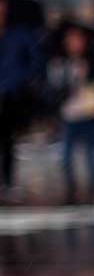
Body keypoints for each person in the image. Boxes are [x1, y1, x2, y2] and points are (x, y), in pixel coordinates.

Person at [48, 23, 94, 208]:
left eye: (77, 39)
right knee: (66, 156)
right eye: (70, 39)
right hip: (69, 116)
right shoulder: (60, 64)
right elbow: (54, 91)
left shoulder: (93, 62)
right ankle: (71, 191)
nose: (74, 43)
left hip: (90, 115)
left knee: (92, 155)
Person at [0, 14, 42, 202]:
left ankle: (7, 182)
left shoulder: (18, 34)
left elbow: (33, 58)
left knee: (8, 141)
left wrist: (21, 81)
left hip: (10, 95)